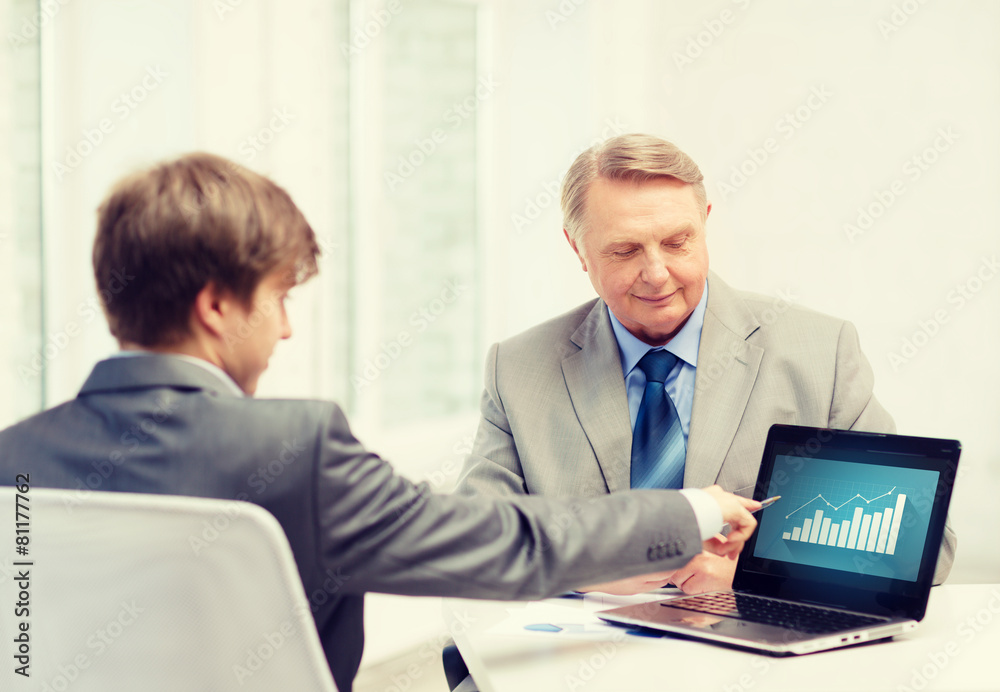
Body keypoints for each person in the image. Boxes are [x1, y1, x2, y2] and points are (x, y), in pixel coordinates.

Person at [0, 153, 761, 692]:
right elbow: (506, 544)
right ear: (216, 307)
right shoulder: (293, 451)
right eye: (278, 298)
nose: (286, 329)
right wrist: (693, 511)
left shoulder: (14, 459)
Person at [455, 133, 955, 593]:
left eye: (677, 242)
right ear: (577, 248)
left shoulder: (821, 353)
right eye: (625, 250)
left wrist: (753, 576)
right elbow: (469, 549)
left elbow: (926, 551)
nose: (657, 274)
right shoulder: (517, 371)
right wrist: (591, 567)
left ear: (705, 223)